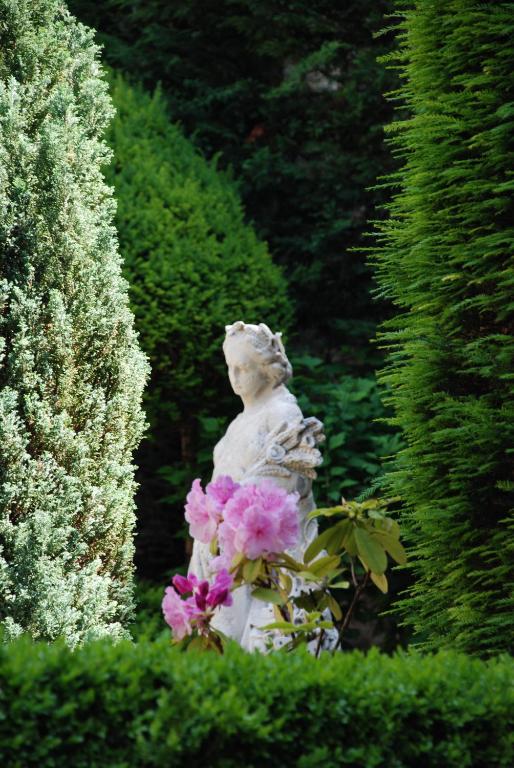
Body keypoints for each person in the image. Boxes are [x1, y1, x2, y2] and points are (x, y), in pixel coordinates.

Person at [189, 321, 325, 651]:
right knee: (223, 634)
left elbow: (286, 482)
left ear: (266, 368)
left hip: (264, 545)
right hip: (227, 540)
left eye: (244, 368)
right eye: (230, 367)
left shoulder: (282, 411)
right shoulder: (240, 420)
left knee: (262, 635)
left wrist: (230, 509)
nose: (234, 377)